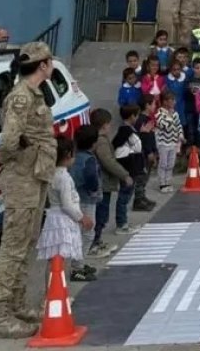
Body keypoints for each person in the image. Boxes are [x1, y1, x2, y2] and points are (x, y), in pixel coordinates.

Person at [0, 42, 59, 339]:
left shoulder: (35, 93)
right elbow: (8, 141)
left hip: (35, 176)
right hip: (22, 178)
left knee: (27, 241)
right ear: (42, 65)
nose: (52, 65)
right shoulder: (20, 97)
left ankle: (16, 304)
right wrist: (13, 161)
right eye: (50, 61)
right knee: (13, 246)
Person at [39, 136, 97, 281]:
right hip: (62, 221)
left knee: (54, 259)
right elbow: (67, 204)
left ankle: (50, 290)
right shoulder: (64, 177)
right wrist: (82, 217)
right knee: (60, 259)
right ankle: (58, 290)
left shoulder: (52, 173)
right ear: (69, 154)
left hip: (54, 218)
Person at [89, 107, 132, 257]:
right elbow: (108, 161)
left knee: (101, 213)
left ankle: (97, 240)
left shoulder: (99, 139)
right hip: (103, 183)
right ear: (104, 125)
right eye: (109, 124)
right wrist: (124, 175)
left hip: (103, 182)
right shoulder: (101, 141)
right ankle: (93, 244)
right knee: (100, 214)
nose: (110, 127)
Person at [70, 127, 102, 278]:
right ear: (94, 143)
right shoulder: (89, 159)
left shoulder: (74, 157)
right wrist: (94, 189)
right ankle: (77, 267)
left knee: (80, 232)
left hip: (75, 198)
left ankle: (79, 263)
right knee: (88, 233)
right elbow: (91, 178)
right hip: (86, 199)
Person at [111, 106, 145, 235]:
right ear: (132, 116)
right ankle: (122, 224)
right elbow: (137, 147)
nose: (137, 118)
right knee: (124, 196)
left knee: (125, 195)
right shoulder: (128, 131)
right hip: (129, 166)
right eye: (136, 115)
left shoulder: (124, 130)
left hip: (127, 165)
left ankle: (123, 222)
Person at [153, 90, 184, 191]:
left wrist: (181, 135)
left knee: (171, 163)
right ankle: (162, 183)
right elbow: (164, 125)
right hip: (163, 143)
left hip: (173, 142)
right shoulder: (159, 113)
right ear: (165, 102)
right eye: (172, 100)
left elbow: (178, 125)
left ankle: (168, 181)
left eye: (174, 100)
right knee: (163, 163)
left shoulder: (175, 113)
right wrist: (169, 116)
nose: (174, 102)